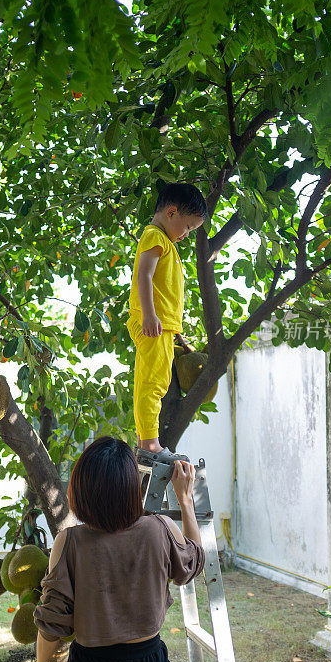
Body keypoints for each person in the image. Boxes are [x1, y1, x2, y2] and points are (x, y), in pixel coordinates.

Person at [33, 435, 224, 662]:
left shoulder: (67, 542)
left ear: (79, 490)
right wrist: (185, 500)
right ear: (131, 488)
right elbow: (193, 564)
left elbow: (52, 623)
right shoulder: (159, 528)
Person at [125, 182, 208, 465]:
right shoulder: (155, 237)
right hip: (152, 323)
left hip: (162, 328)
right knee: (153, 383)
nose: (186, 235)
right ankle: (149, 442)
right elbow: (143, 276)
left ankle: (144, 440)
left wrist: (178, 337)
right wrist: (149, 314)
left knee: (154, 380)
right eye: (187, 227)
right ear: (171, 212)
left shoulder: (165, 243)